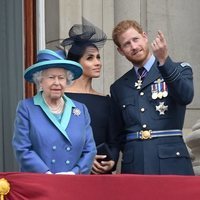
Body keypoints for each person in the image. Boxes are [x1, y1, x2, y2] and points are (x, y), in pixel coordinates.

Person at [110, 19, 194, 175]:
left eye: (135, 39)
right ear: (120, 50)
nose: (134, 46)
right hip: (135, 165)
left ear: (144, 36)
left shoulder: (179, 69)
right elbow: (118, 132)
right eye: (127, 44)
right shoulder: (119, 87)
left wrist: (164, 62)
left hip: (171, 163)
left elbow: (185, 96)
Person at [12, 49, 97, 175]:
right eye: (51, 77)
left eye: (61, 78)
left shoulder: (81, 109)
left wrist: (74, 173)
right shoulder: (27, 108)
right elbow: (22, 148)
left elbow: (90, 149)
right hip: (40, 182)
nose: (57, 83)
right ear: (40, 80)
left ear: (67, 81)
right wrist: (47, 174)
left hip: (74, 181)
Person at [61, 18, 119, 174]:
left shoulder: (107, 101)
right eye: (90, 58)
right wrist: (85, 159)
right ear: (76, 63)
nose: (97, 62)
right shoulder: (61, 98)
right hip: (70, 175)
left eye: (98, 57)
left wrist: (112, 161)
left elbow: (114, 141)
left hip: (102, 177)